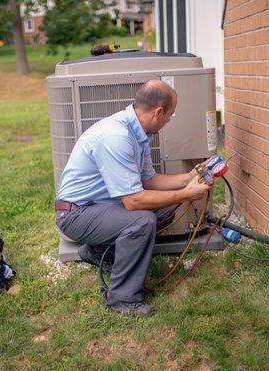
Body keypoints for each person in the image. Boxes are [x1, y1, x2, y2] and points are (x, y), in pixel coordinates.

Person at [55, 80, 211, 315]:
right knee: (142, 220)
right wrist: (187, 193)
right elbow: (133, 201)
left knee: (163, 210)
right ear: (159, 112)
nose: (170, 120)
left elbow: (150, 181)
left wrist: (189, 177)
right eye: (170, 114)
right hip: (76, 214)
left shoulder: (138, 133)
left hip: (98, 208)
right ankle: (121, 298)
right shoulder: (116, 137)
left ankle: (96, 251)